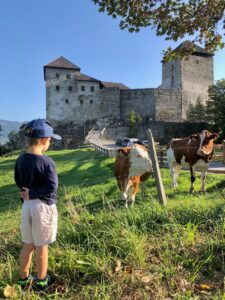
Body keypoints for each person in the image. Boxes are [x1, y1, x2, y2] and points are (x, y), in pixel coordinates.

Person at [14, 119, 61, 290]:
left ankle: (23, 279)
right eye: (50, 140)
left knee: (28, 243)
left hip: (27, 206)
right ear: (43, 140)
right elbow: (52, 186)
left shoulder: (20, 160)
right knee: (42, 245)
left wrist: (28, 194)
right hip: (43, 207)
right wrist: (34, 193)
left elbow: (18, 180)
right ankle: (42, 280)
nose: (49, 143)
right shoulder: (47, 162)